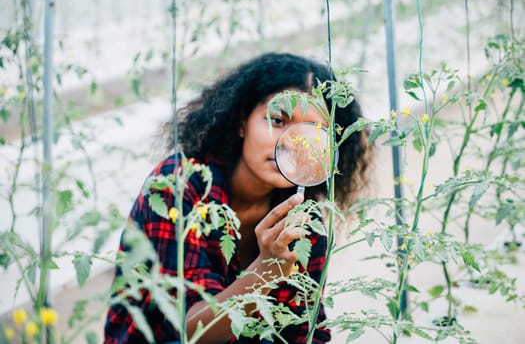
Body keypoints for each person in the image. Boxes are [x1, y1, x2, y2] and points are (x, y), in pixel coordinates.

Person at [104, 52, 371, 343]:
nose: (292, 143)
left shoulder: (303, 217)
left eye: (312, 133)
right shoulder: (180, 185)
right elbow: (187, 330)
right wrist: (266, 271)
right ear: (242, 121)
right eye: (278, 120)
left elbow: (303, 331)